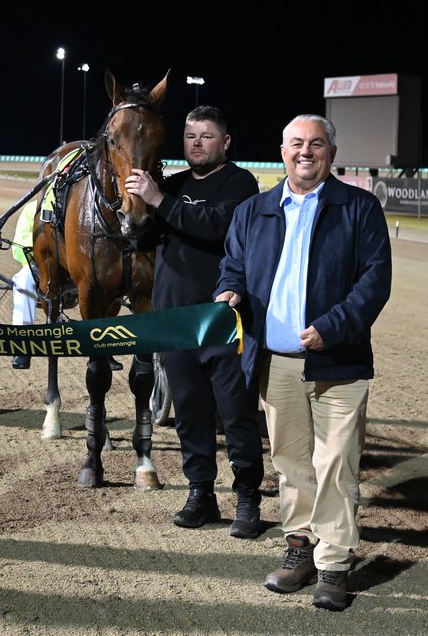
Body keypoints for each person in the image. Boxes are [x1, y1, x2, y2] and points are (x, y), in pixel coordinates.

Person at [214, 113, 391, 612]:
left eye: (316, 144)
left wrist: (332, 327)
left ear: (331, 153)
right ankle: (300, 548)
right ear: (282, 150)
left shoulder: (359, 208)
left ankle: (334, 564)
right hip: (276, 362)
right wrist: (228, 290)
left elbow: (374, 282)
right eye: (296, 143)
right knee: (291, 463)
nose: (305, 152)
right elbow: (234, 264)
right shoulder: (254, 209)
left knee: (336, 463)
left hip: (339, 361)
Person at [124, 105, 264, 538]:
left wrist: (159, 200)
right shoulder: (175, 184)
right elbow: (146, 238)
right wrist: (137, 211)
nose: (196, 143)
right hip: (177, 322)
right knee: (189, 414)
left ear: (225, 143)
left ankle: (247, 498)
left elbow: (216, 227)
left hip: (223, 321)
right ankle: (200, 492)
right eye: (190, 136)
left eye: (206, 136)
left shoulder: (241, 184)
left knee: (236, 413)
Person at [9, 198, 39, 370]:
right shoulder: (31, 209)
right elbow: (18, 249)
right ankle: (22, 345)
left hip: (72, 268)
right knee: (23, 280)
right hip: (39, 267)